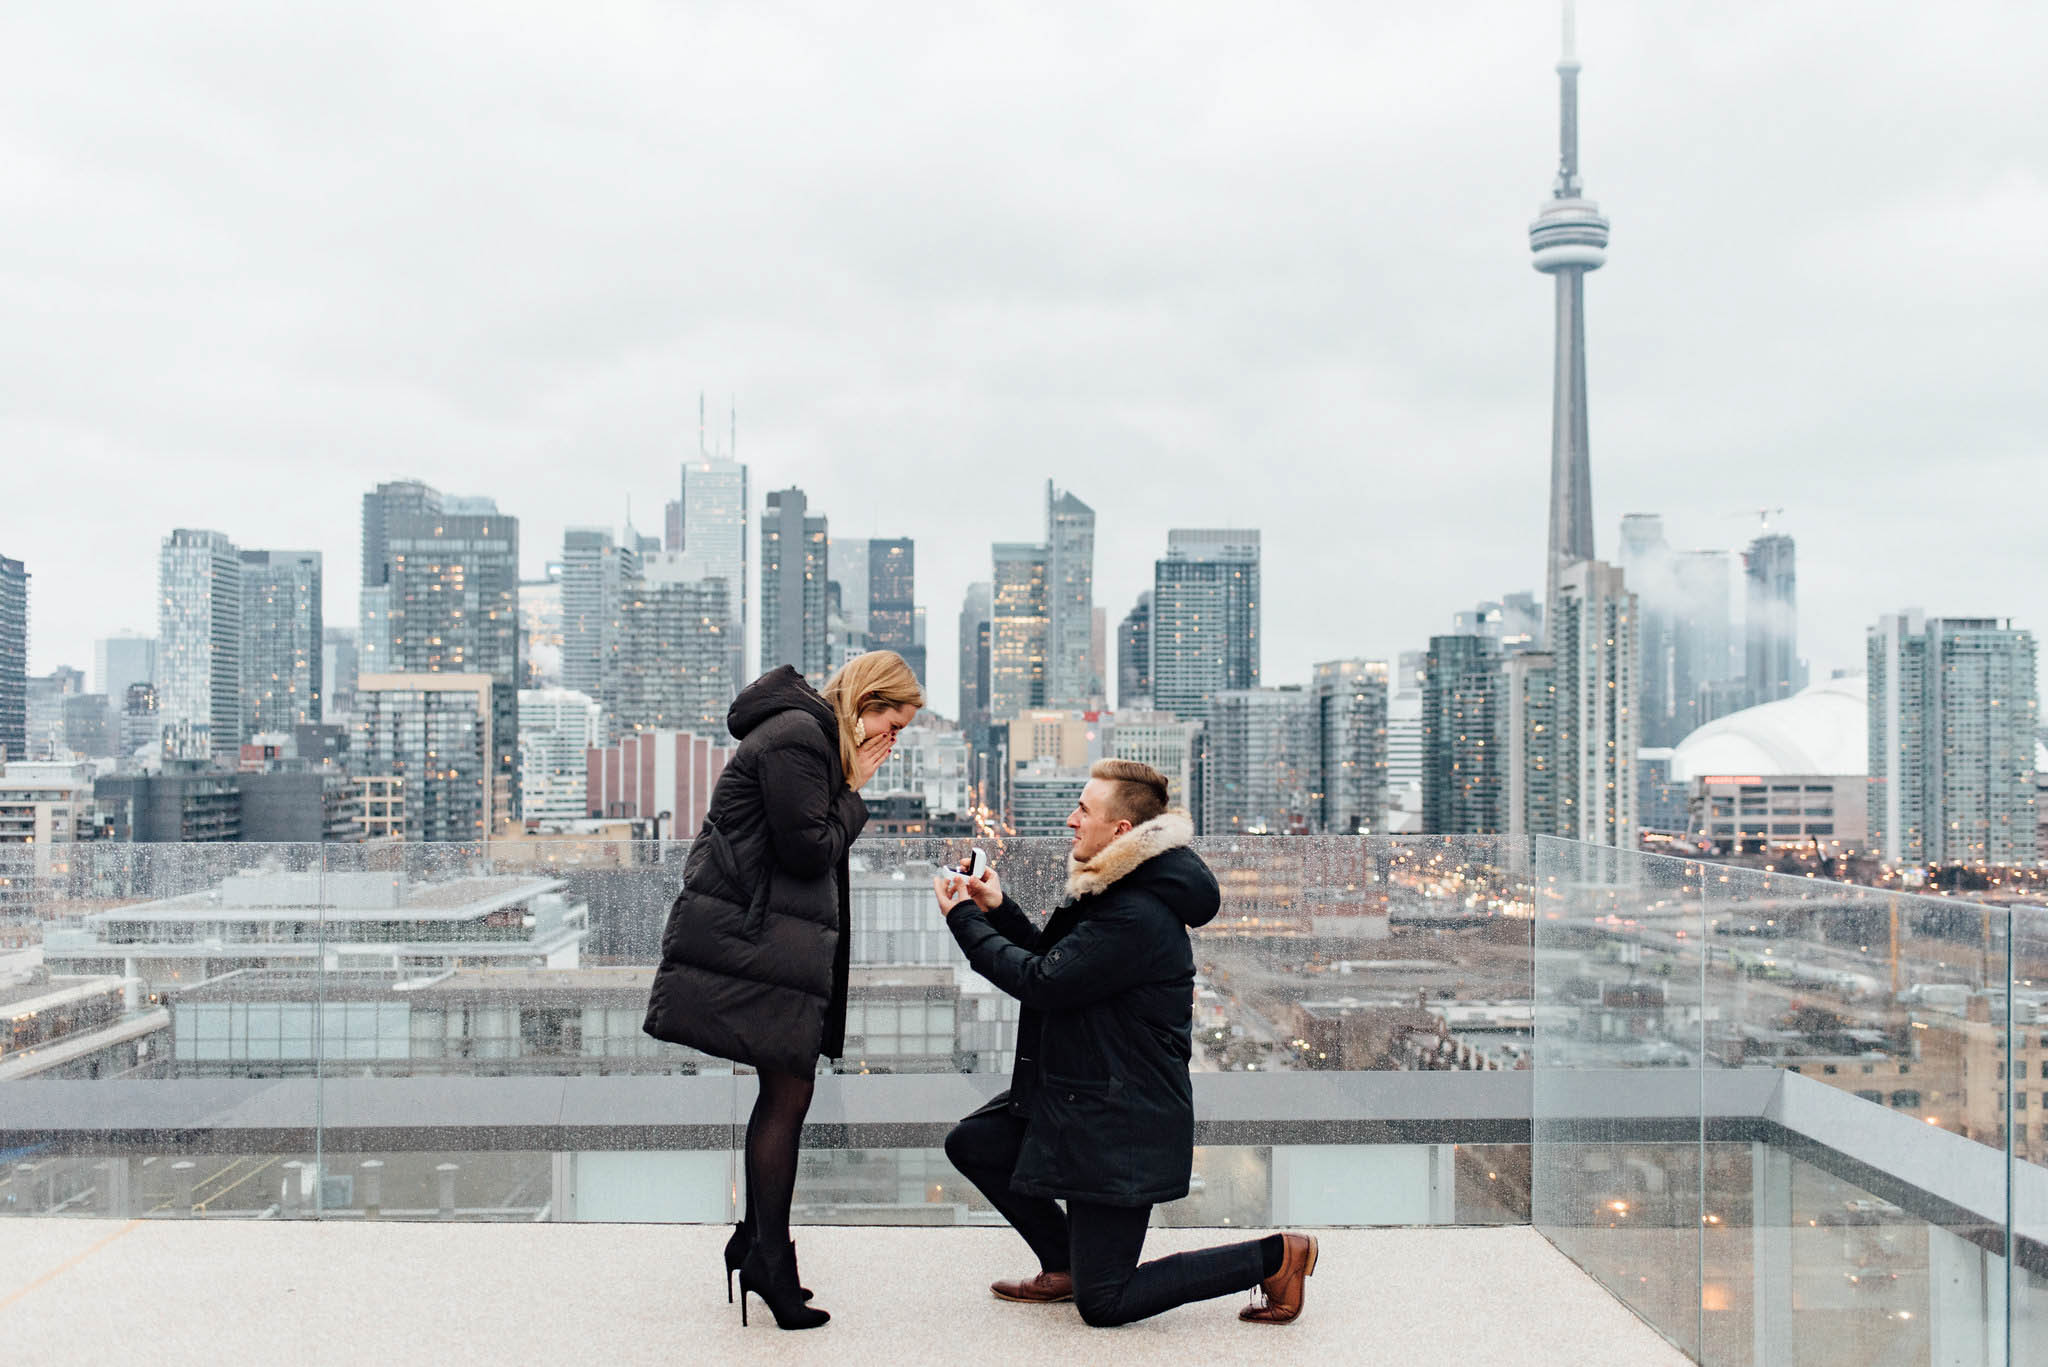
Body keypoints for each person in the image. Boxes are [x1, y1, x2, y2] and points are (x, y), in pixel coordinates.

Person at [933, 759, 1318, 1328]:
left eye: (1083, 809)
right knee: (975, 1144)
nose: (1070, 820)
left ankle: (1276, 1257)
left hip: (1119, 1121)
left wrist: (965, 919)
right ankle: (1065, 1265)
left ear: (1119, 832)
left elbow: (1042, 982)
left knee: (1105, 1303)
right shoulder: (1117, 885)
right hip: (1081, 1094)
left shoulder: (1134, 911)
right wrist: (998, 909)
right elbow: (1060, 964)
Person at [644, 652, 923, 1330]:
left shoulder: (807, 734)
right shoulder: (801, 737)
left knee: (784, 1092)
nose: (893, 737)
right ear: (864, 700)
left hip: (768, 938)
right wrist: (855, 795)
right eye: (892, 721)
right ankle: (768, 1258)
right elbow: (807, 849)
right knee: (788, 1093)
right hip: (756, 938)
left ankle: (757, 1241)